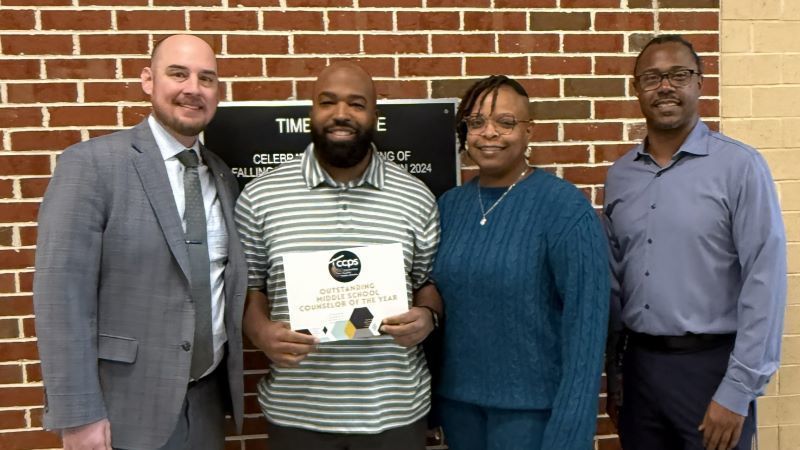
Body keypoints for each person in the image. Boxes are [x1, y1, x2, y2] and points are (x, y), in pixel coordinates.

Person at [33, 34, 247, 450]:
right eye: (178, 74)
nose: (193, 88)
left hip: (206, 403)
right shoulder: (92, 165)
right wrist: (78, 414)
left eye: (206, 78)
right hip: (122, 408)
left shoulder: (222, 176)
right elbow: (61, 297)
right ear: (148, 80)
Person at [234, 62, 441, 450]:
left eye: (356, 104)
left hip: (394, 412)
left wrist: (428, 317)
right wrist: (259, 331)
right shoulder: (261, 196)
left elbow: (426, 283)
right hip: (298, 413)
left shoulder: (415, 196)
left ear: (375, 115)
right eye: (327, 102)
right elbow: (250, 286)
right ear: (311, 111)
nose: (341, 113)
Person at [603, 35, 787, 450]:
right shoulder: (620, 176)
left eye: (678, 75)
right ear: (636, 88)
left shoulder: (740, 167)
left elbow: (765, 282)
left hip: (712, 373)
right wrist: (616, 375)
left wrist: (738, 390)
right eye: (652, 77)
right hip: (640, 372)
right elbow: (615, 285)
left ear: (700, 83)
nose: (665, 86)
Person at [430, 75, 610, 450]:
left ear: (529, 132)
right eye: (476, 122)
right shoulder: (450, 207)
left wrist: (571, 433)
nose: (489, 133)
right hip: (459, 411)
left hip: (533, 417)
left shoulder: (564, 208)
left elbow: (587, 328)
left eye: (505, 122)